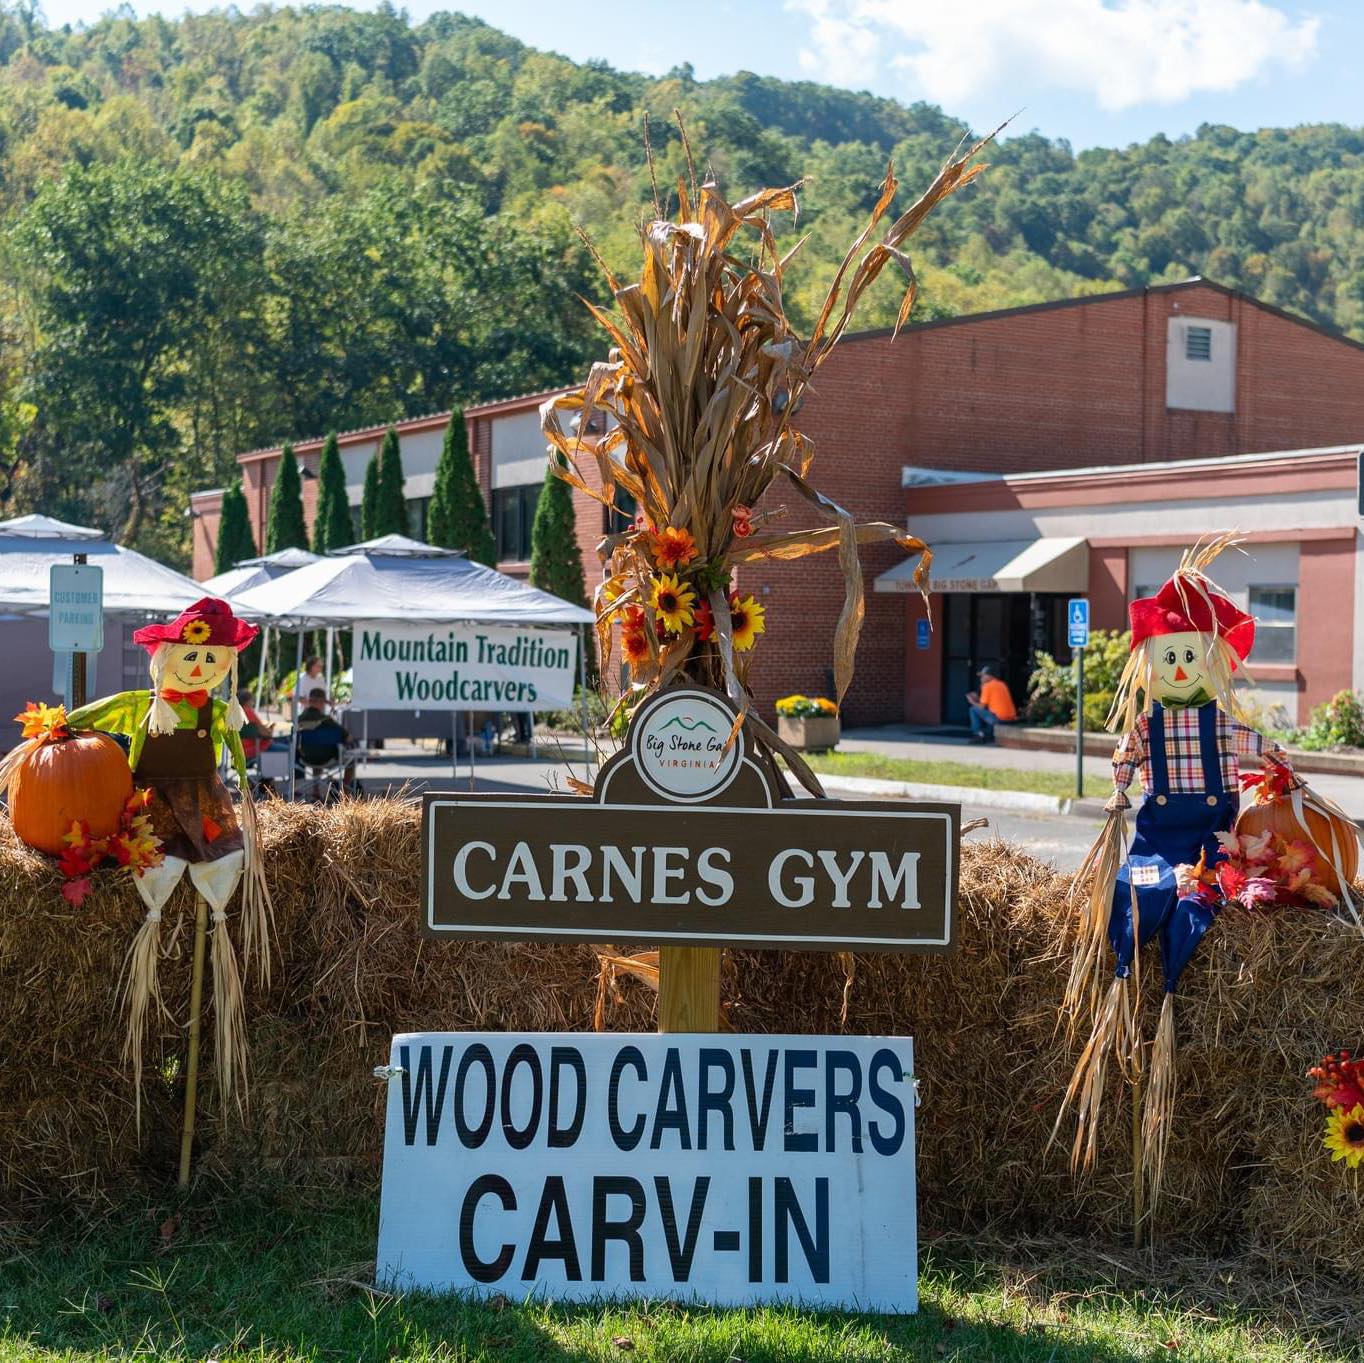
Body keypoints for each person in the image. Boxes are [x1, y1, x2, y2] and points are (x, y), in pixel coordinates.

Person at [296, 686, 358, 795]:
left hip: (305, 757)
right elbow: (348, 738)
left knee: (315, 748)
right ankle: (345, 792)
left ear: (309, 700)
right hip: (328, 758)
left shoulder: (298, 720)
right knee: (351, 760)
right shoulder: (327, 721)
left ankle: (316, 790)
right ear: (322, 702)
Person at [966, 665, 1017, 743]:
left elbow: (981, 707)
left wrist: (972, 701)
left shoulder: (987, 686)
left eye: (983, 676)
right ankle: (989, 736)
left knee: (973, 709)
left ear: (989, 676)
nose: (981, 678)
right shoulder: (1002, 684)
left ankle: (979, 735)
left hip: (1000, 719)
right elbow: (991, 703)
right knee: (989, 712)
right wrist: (978, 699)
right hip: (1011, 718)